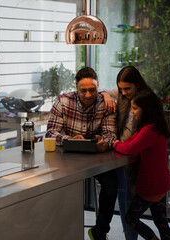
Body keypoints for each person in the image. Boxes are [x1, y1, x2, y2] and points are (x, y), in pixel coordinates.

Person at [46, 67, 118, 240]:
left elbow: (111, 134)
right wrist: (68, 139)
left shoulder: (105, 103)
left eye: (92, 90)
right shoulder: (63, 101)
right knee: (59, 187)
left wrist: (105, 144)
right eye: (83, 90)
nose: (88, 95)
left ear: (98, 86)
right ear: (76, 88)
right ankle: (61, 230)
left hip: (96, 157)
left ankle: (100, 231)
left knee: (112, 184)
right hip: (67, 158)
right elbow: (50, 133)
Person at [100, 65, 153, 240]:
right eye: (120, 88)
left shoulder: (148, 100)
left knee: (131, 203)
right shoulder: (122, 94)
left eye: (127, 89)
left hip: (138, 155)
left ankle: (131, 236)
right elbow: (103, 90)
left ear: (137, 84)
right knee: (124, 201)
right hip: (122, 153)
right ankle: (128, 235)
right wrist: (107, 95)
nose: (123, 93)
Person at [113, 90, 170, 240]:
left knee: (131, 218)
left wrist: (114, 143)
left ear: (146, 109)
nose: (132, 112)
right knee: (161, 223)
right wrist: (122, 143)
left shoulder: (148, 130)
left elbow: (129, 148)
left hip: (151, 186)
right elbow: (130, 142)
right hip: (161, 183)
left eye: (135, 108)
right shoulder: (156, 127)